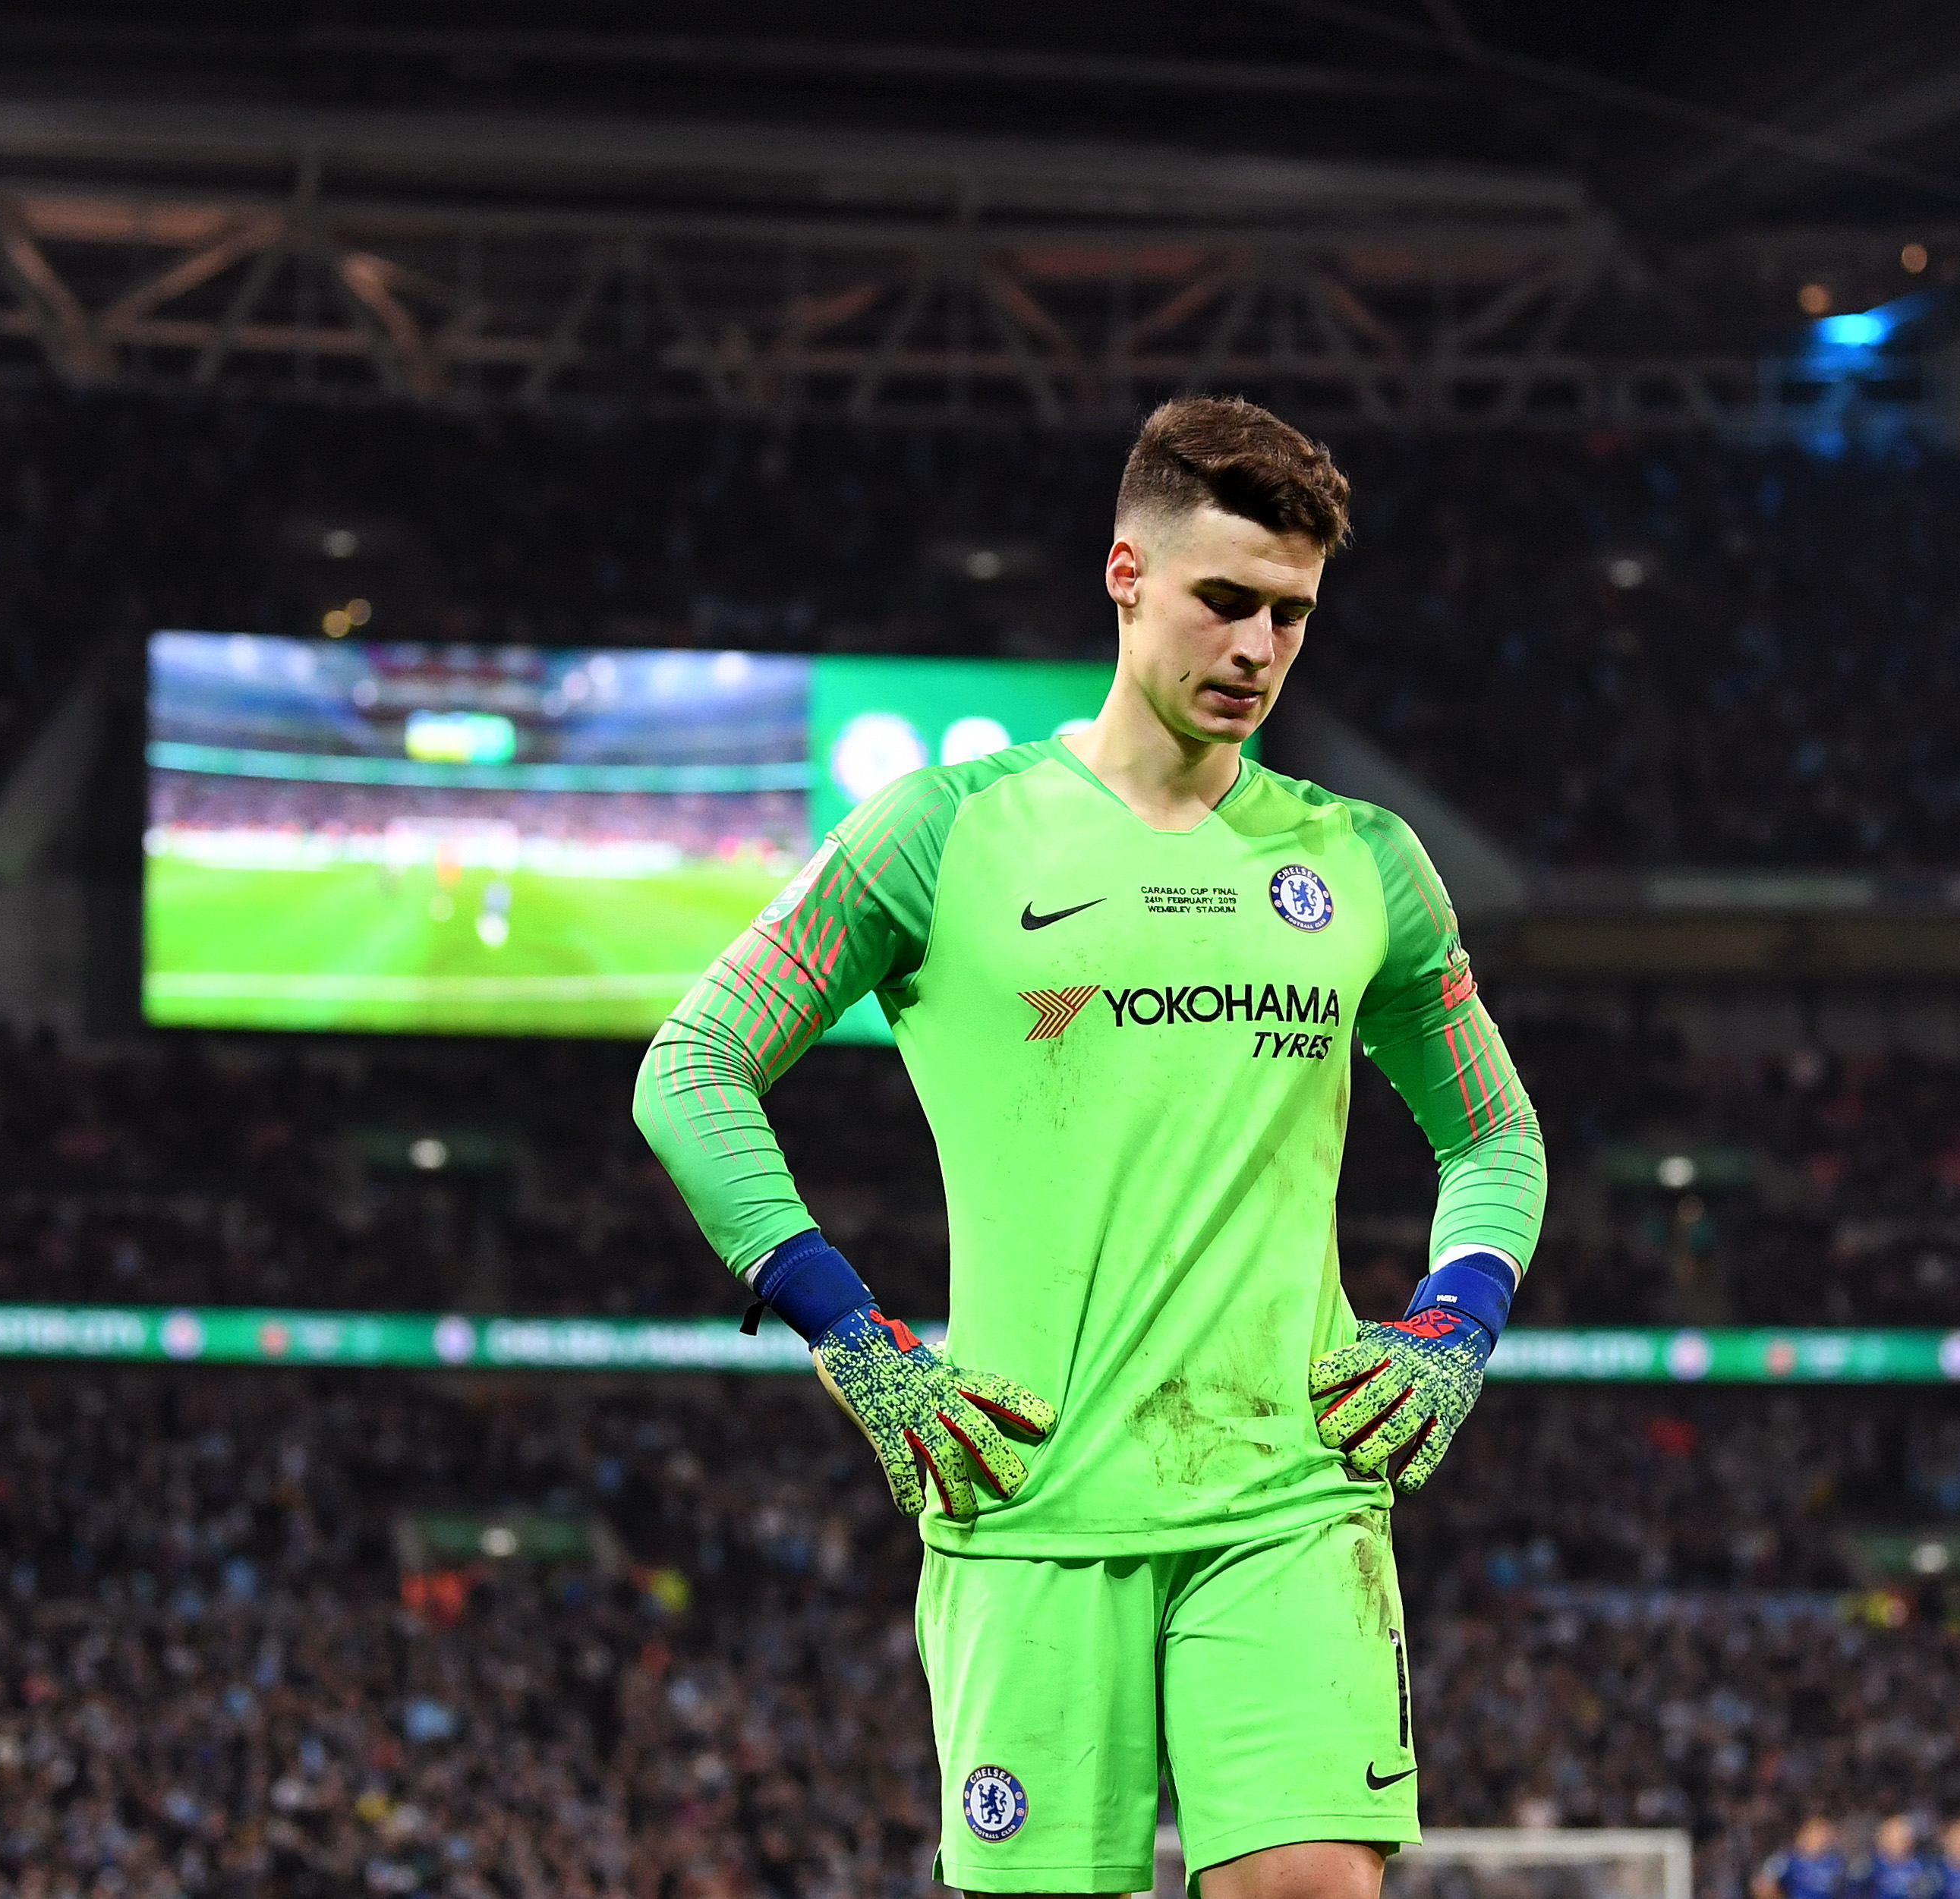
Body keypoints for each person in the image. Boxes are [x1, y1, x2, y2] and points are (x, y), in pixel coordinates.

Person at [633, 396, 1546, 1899]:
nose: (1257, 650)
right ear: (1126, 574)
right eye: (1225, 602)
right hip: (1027, 1504)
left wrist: (1455, 1323)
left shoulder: (1364, 863)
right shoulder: (942, 835)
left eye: (1293, 616)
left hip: (1289, 1493)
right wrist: (852, 1339)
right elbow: (692, 1067)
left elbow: (1495, 1134)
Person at [1754, 1816, 1851, 1899]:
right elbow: (1761, 1885)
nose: (1822, 1839)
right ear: (1805, 1834)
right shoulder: (1787, 1858)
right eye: (1817, 1833)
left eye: (1825, 1834)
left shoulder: (1835, 1862)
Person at [1860, 1813, 1937, 1897]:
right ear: (1880, 1839)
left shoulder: (1923, 1867)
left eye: (1900, 1836)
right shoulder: (1869, 1867)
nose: (1895, 1841)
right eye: (1891, 1835)